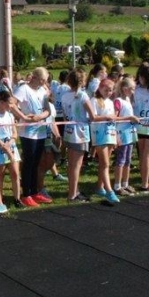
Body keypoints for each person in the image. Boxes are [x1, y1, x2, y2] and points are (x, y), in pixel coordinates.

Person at [13, 67, 51, 207]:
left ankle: (34, 192)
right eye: (42, 80)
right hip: (28, 133)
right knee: (28, 163)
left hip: (40, 131)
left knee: (36, 163)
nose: (43, 83)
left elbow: (47, 110)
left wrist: (39, 117)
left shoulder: (42, 91)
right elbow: (12, 104)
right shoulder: (23, 89)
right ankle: (26, 194)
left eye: (45, 80)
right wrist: (23, 117)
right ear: (34, 77)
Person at [61, 70, 94, 202]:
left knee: (71, 164)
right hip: (80, 132)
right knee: (76, 165)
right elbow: (92, 116)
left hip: (69, 131)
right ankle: (72, 194)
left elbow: (64, 116)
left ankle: (75, 190)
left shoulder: (65, 96)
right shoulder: (82, 95)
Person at [0, 90, 22, 207]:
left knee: (15, 173)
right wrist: (4, 147)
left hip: (11, 146)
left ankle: (17, 199)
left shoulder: (10, 115)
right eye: (9, 103)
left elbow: (14, 133)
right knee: (0, 174)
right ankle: (0, 199)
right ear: (2, 102)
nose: (11, 106)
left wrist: (9, 143)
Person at [113, 77, 138, 195]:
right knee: (121, 159)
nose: (133, 91)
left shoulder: (128, 99)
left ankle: (125, 183)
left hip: (130, 133)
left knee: (128, 160)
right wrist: (129, 118)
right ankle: (117, 185)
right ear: (125, 89)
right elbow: (114, 117)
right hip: (121, 133)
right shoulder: (118, 101)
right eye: (132, 89)